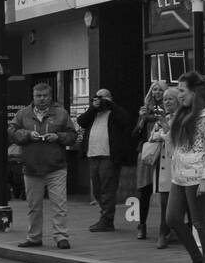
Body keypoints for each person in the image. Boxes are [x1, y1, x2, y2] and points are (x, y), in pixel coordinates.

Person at [165, 71, 205, 263]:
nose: (179, 95)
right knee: (172, 218)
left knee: (200, 222)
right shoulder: (186, 113)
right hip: (180, 175)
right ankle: (197, 260)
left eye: (182, 90)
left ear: (195, 91)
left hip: (199, 176)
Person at [10, 83, 77, 249]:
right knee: (34, 207)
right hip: (31, 168)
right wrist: (27, 135)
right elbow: (12, 131)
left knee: (59, 205)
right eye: (38, 96)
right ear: (33, 97)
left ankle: (61, 237)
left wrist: (58, 136)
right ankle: (34, 237)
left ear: (50, 96)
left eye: (45, 96)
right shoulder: (23, 114)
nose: (41, 99)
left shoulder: (61, 113)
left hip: (56, 167)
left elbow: (73, 135)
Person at [77, 87, 132, 232]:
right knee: (97, 189)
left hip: (109, 156)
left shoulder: (114, 113)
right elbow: (81, 121)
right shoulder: (93, 113)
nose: (100, 101)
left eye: (103, 98)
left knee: (108, 189)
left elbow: (125, 120)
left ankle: (107, 220)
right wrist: (93, 108)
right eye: (97, 97)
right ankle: (105, 216)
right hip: (93, 155)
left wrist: (110, 105)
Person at [151, 84, 189, 250]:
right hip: (164, 167)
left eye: (170, 99)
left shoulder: (182, 118)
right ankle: (163, 233)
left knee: (186, 203)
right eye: (165, 99)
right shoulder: (164, 117)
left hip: (180, 166)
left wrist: (165, 132)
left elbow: (179, 141)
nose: (166, 102)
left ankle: (183, 232)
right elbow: (152, 136)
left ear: (178, 101)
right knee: (165, 202)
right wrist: (162, 133)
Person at [132, 81, 168, 239]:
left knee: (165, 192)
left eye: (160, 90)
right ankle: (141, 225)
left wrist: (159, 117)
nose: (157, 92)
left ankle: (165, 228)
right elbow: (134, 134)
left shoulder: (170, 108)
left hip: (164, 153)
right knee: (143, 190)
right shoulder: (145, 109)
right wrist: (142, 119)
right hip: (147, 152)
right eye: (154, 89)